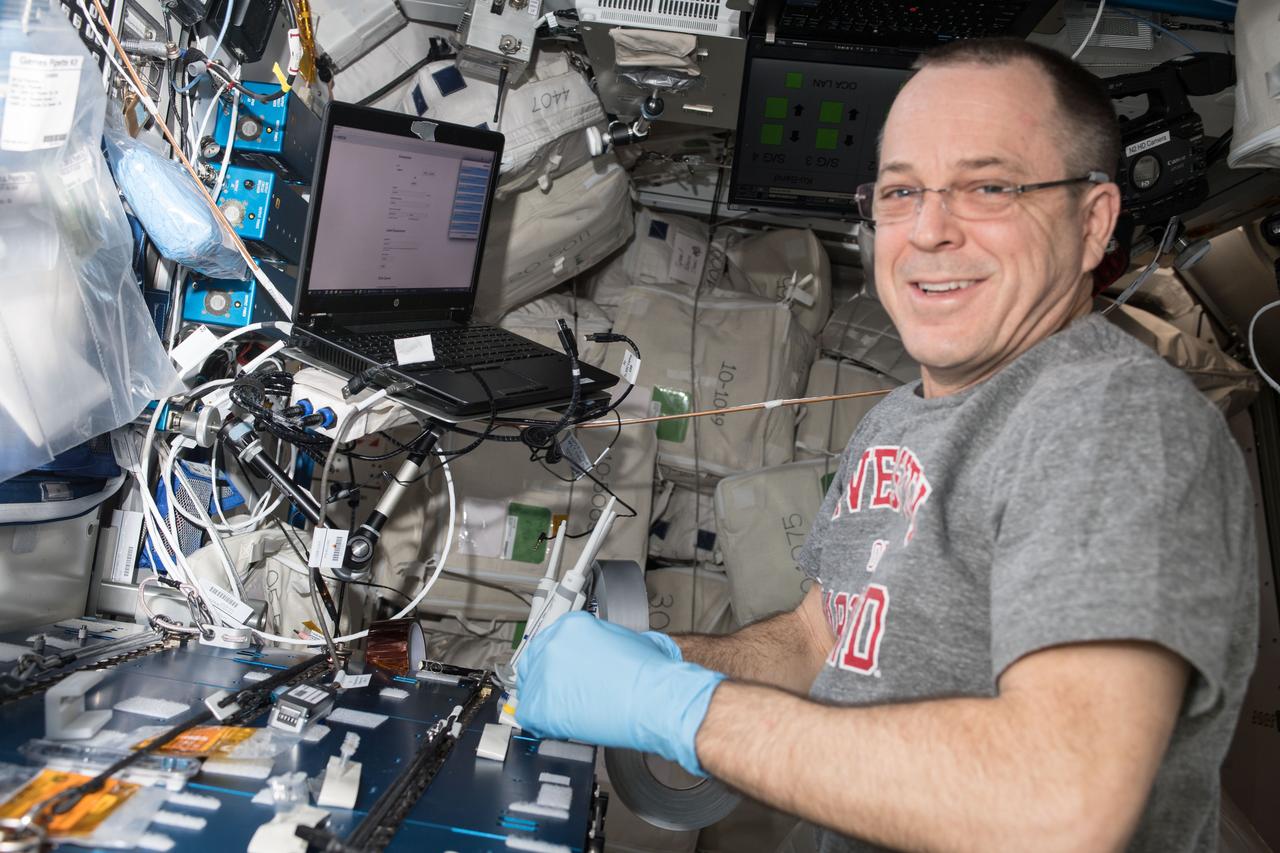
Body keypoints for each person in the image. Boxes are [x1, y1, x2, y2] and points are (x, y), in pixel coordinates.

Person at [516, 37, 1258, 852]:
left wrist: (672, 709)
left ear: (1093, 223)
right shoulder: (903, 416)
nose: (930, 230)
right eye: (903, 191)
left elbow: (1058, 805)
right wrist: (665, 657)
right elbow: (818, 636)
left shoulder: (1113, 419)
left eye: (989, 187)